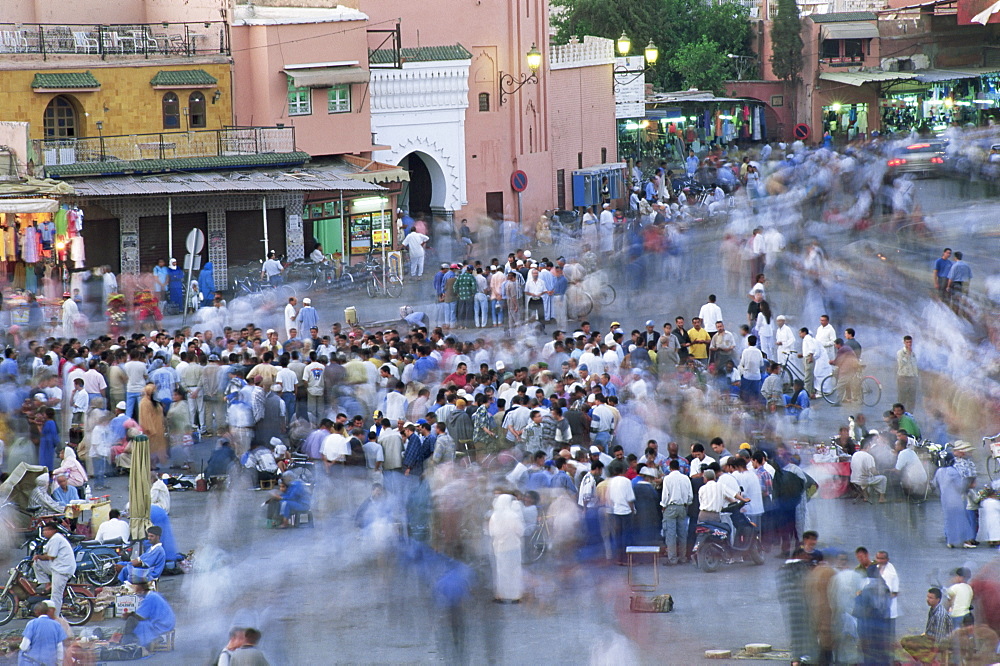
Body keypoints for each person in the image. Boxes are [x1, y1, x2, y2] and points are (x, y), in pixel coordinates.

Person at [32, 522, 76, 616]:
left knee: (56, 596)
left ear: (54, 530)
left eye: (46, 530)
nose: (44, 532)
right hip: (56, 566)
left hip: (62, 570)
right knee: (37, 564)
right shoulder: (52, 539)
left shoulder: (56, 538)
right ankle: (47, 583)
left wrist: (38, 556)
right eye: (43, 530)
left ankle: (54, 617)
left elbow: (51, 556)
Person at [488, 494, 524, 603]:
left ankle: (501, 594)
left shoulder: (494, 516)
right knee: (515, 570)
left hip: (499, 547)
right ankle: (515, 595)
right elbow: (520, 531)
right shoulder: (513, 515)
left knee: (501, 571)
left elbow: (492, 532)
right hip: (513, 546)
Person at [120, 578, 175, 649]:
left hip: (163, 624)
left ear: (141, 590)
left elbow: (140, 616)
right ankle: (154, 638)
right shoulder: (152, 595)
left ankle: (127, 643)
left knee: (132, 621)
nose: (136, 593)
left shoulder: (150, 598)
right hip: (167, 621)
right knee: (134, 620)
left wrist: (128, 615)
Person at [900, 588, 951, 663]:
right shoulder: (933, 609)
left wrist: (932, 651)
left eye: (931, 598)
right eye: (928, 597)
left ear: (938, 600)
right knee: (904, 641)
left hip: (938, 641)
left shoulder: (940, 614)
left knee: (910, 643)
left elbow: (939, 638)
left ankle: (926, 660)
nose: (928, 599)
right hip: (929, 637)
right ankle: (923, 659)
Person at [660, 459, 693, 565]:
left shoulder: (667, 479)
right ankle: (683, 557)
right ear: (679, 467)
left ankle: (672, 559)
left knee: (671, 534)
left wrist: (663, 506)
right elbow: (690, 495)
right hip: (682, 507)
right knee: (682, 533)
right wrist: (687, 503)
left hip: (670, 507)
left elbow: (665, 495)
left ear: (670, 468)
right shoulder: (686, 478)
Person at [18, 601, 67, 666]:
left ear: (36, 612)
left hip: (33, 662)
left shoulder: (32, 623)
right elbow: (60, 648)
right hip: (49, 662)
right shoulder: (57, 625)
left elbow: (24, 646)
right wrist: (59, 663)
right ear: (47, 611)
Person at [850, 438, 887, 503]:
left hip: (854, 479)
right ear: (868, 446)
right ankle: (882, 498)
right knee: (883, 478)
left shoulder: (855, 454)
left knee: (867, 476)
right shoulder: (868, 456)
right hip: (864, 480)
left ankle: (865, 496)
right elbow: (873, 471)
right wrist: (879, 472)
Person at [896, 336, 918, 411]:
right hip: (903, 377)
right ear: (904, 342)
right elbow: (901, 364)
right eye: (907, 342)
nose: (909, 344)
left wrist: (916, 376)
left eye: (910, 342)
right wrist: (907, 355)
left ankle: (910, 413)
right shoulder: (900, 353)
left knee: (912, 398)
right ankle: (900, 414)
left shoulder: (913, 354)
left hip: (912, 378)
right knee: (902, 398)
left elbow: (914, 366)